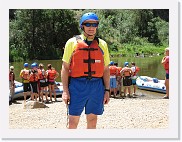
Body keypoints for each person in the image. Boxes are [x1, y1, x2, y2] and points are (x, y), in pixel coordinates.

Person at [61, 12, 110, 129]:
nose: (91, 28)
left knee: (92, 120)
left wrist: (107, 90)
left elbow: (106, 69)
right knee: (73, 122)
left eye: (94, 25)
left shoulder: (102, 44)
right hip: (77, 85)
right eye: (88, 24)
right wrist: (65, 91)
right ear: (82, 26)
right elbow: (65, 68)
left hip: (96, 86)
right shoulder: (72, 43)